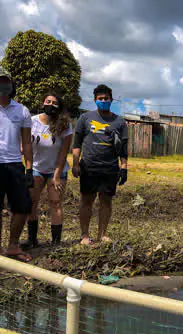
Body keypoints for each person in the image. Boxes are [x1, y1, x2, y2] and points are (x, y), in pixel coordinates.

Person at [0, 68, 34, 262]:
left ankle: (13, 245)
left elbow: (27, 142)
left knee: (23, 206)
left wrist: (29, 167)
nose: (3, 85)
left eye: (7, 81)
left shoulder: (22, 110)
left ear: (12, 85)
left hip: (15, 164)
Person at [72, 84, 128, 245]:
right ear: (95, 100)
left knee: (106, 201)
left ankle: (102, 234)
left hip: (110, 168)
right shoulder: (85, 118)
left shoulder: (119, 122)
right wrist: (76, 164)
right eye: (100, 99)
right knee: (87, 200)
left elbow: (124, 149)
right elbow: (77, 144)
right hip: (89, 167)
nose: (103, 101)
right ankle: (84, 235)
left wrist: (123, 168)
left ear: (112, 100)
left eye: (106, 99)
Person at [22, 92, 73, 248]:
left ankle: (55, 242)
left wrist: (56, 176)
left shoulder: (65, 125)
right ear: (43, 103)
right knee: (32, 203)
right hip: (36, 167)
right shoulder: (32, 122)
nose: (51, 105)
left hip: (56, 169)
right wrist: (29, 168)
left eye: (54, 102)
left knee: (55, 203)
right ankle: (32, 240)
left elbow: (64, 153)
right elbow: (25, 146)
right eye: (48, 101)